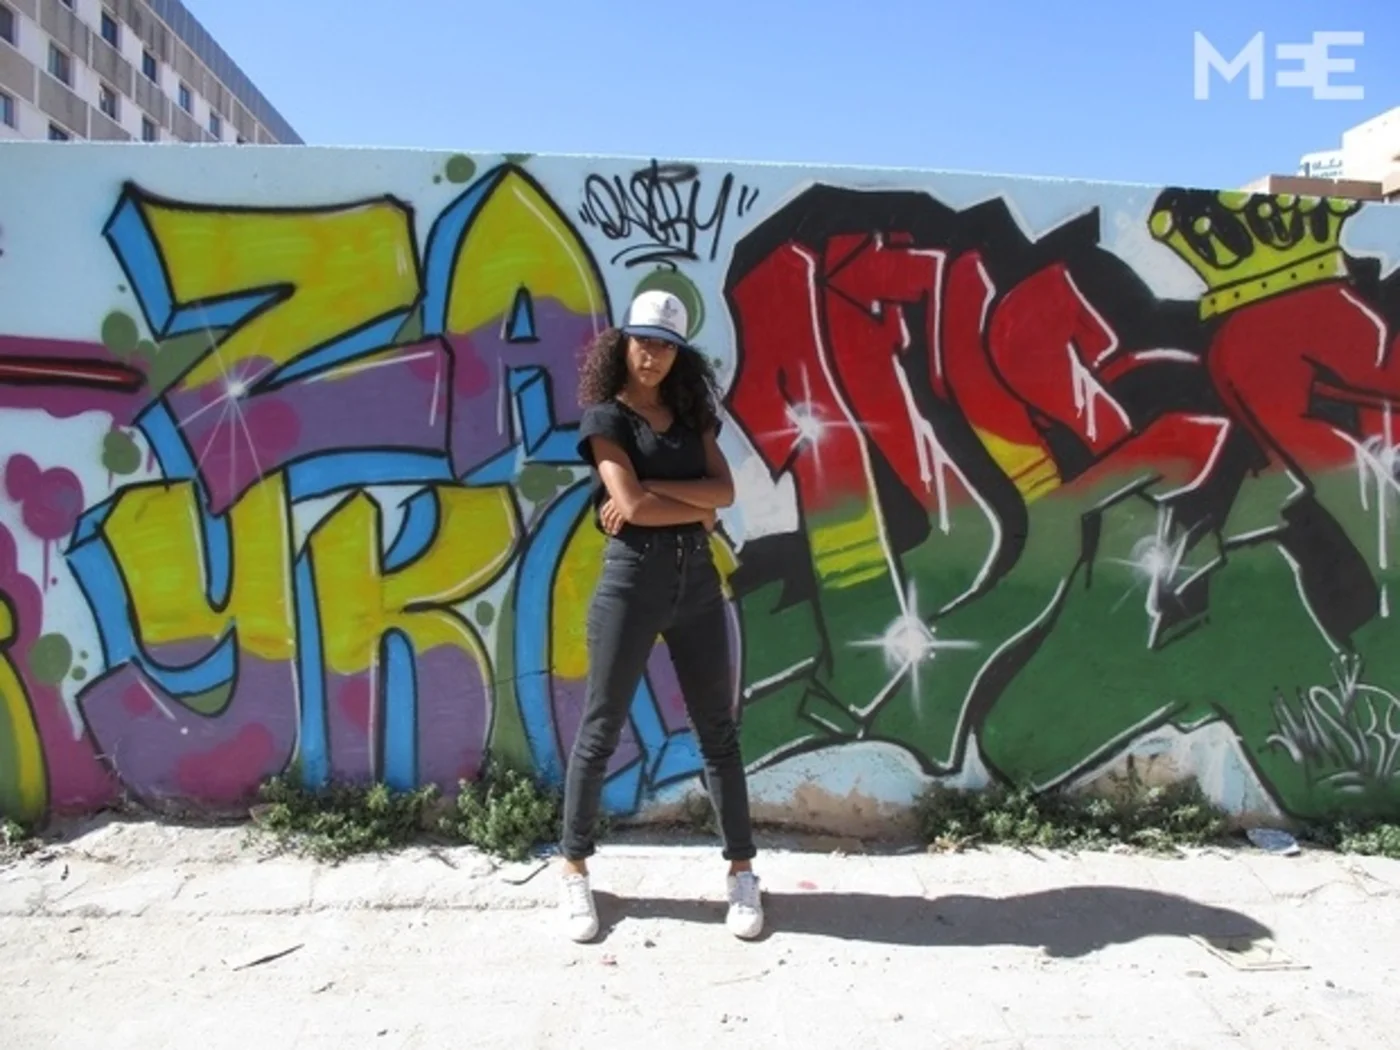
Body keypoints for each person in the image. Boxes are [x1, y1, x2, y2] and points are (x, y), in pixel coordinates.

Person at [556, 289, 763, 943]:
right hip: (631, 584)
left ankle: (742, 873)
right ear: (623, 343)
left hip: (696, 583)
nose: (653, 356)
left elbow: (723, 492)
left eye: (666, 346)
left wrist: (660, 491)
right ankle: (574, 870)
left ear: (679, 354)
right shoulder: (606, 419)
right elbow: (632, 509)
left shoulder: (692, 411)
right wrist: (686, 504)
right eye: (644, 342)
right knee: (600, 730)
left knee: (718, 734)